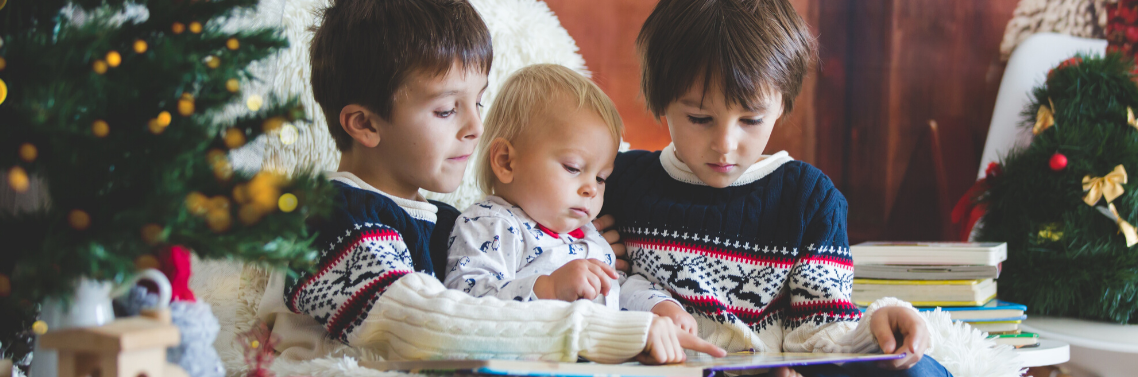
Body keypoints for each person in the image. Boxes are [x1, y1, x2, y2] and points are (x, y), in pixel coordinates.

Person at [255, 0, 724, 365]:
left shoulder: (448, 223)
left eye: (477, 102)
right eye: (445, 110)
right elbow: (425, 324)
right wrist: (601, 330)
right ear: (365, 124)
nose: (475, 128)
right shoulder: (327, 215)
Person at [601, 0, 950, 375]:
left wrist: (879, 326)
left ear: (782, 103)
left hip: (770, 369)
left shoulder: (808, 198)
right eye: (699, 118)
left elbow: (821, 332)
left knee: (919, 370)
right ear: (661, 103)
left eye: (750, 119)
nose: (725, 144)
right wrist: (587, 251)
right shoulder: (617, 180)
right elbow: (547, 253)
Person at [444, 64, 627, 311]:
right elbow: (465, 299)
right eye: (573, 168)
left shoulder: (592, 237)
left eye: (601, 178)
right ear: (506, 162)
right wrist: (548, 289)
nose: (591, 189)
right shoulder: (492, 224)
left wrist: (659, 308)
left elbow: (619, 293)